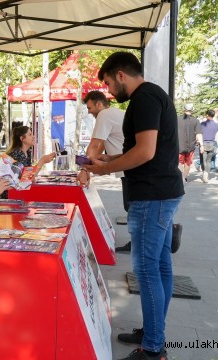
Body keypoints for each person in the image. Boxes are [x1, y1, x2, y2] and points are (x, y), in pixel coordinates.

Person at [84, 52, 184, 360]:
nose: (110, 92)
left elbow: (145, 152)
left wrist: (102, 169)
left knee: (146, 269)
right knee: (161, 266)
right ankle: (154, 331)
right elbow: (136, 150)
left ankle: (153, 348)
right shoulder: (152, 96)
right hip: (162, 192)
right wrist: (108, 159)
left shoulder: (143, 99)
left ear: (121, 75)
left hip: (152, 196)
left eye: (109, 84)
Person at [80, 91, 132, 252]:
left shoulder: (105, 115)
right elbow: (101, 145)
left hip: (128, 166)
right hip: (127, 164)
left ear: (99, 104)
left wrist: (84, 168)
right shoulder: (115, 113)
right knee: (132, 205)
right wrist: (90, 165)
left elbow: (95, 145)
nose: (89, 112)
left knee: (132, 205)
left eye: (89, 108)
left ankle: (165, 233)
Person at [195, 109, 218, 183]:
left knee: (203, 160)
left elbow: (199, 134)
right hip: (212, 144)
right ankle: (206, 174)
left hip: (203, 143)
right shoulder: (217, 125)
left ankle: (204, 173)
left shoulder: (202, 124)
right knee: (209, 161)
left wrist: (197, 141)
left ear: (207, 115)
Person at [177, 103, 200, 182]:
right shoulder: (196, 120)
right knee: (188, 162)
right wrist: (202, 145)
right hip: (191, 146)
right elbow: (199, 133)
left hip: (179, 145)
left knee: (179, 162)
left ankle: (181, 176)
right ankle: (185, 177)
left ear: (184, 109)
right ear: (192, 110)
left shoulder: (177, 119)